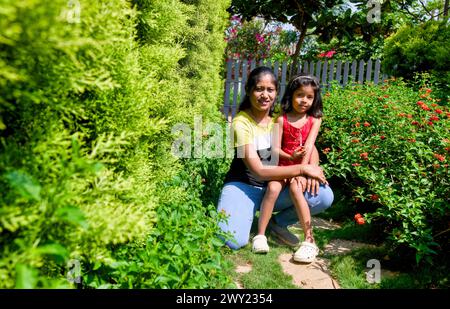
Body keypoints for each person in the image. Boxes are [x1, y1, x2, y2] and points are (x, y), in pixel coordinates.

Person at [217, 66, 334, 260]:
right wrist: (303, 168)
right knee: (232, 240)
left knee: (323, 195)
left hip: (274, 188)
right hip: (244, 186)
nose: (265, 95)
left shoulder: (280, 118)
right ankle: (244, 211)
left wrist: (314, 166)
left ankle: (276, 223)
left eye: (270, 90)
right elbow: (259, 172)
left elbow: (309, 146)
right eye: (258, 89)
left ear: (276, 92)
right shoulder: (241, 122)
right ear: (248, 90)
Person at [253, 74, 323, 263]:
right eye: (300, 95)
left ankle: (309, 240)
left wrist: (303, 170)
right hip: (282, 167)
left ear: (315, 99)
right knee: (273, 188)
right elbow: (275, 150)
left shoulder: (315, 120)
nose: (304, 100)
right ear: (291, 96)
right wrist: (291, 157)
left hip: (302, 167)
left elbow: (309, 146)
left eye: (309, 97)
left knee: (296, 188)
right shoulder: (281, 120)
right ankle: (260, 235)